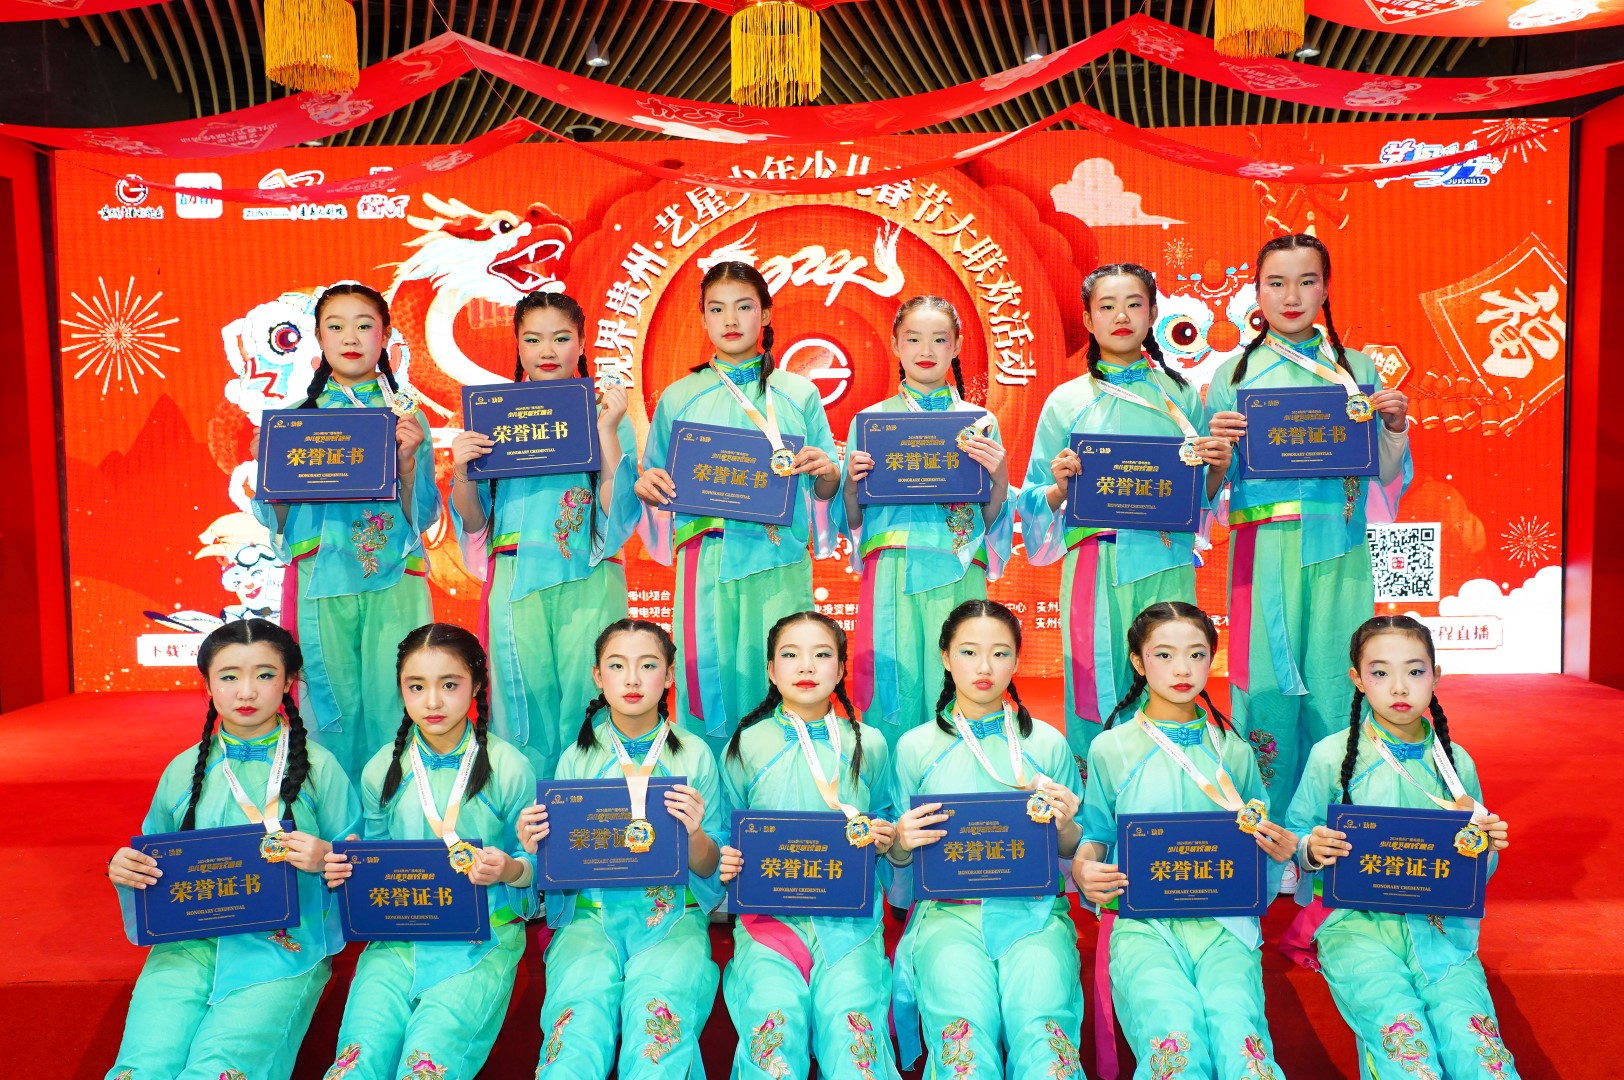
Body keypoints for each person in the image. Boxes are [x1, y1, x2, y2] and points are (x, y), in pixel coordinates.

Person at [1205, 235, 1412, 815]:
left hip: (1339, 546)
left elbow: (1384, 474)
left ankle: (1333, 817)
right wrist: (1217, 451)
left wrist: (1394, 427)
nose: (1291, 296)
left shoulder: (1356, 369)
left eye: (1306, 281)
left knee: (1335, 675)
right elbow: (1211, 488)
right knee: (1263, 683)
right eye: (1276, 283)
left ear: (1326, 289)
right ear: (1257, 292)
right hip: (1261, 548)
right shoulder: (1233, 374)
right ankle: (1267, 819)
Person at [104, 619, 358, 1080]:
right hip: (188, 944)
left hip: (284, 946)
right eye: (228, 676)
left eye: (265, 674)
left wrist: (328, 859)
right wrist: (126, 868)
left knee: (221, 1070)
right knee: (141, 1068)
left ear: (289, 681)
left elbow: (363, 862)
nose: (246, 691)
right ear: (207, 684)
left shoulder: (320, 768)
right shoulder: (183, 770)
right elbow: (154, 857)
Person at [1283, 615, 1518, 1078]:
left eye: (1414, 671)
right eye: (1380, 672)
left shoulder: (1456, 761)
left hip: (1440, 927)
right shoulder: (1331, 754)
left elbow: (1472, 872)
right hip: (1353, 925)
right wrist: (1312, 849)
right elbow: (1295, 835)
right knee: (1405, 1045)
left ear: (1436, 675)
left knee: (1479, 1048)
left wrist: (1484, 848)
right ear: (1357, 679)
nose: (1399, 687)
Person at [1017, 264, 1231, 769]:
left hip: (1166, 559)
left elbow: (1199, 501)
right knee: (1097, 682)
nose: (1121, 316)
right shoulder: (1066, 400)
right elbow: (1030, 498)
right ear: (1087, 320)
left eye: (1134, 305)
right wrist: (1060, 486)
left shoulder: (1180, 395)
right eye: (1107, 306)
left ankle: (1171, 783)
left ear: (1153, 313)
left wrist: (1219, 469)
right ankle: (1097, 798)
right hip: (1096, 563)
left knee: (1171, 675)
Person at [1074, 602, 1295, 1080]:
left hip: (1226, 925)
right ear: (1138, 662)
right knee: (1171, 1037)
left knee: (1241, 1039)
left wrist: (1280, 852)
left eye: (1196, 655)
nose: (1182, 669)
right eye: (1164, 655)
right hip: (1142, 924)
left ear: (1212, 658)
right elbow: (1096, 835)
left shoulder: (1234, 751)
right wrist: (1083, 868)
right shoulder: (1111, 748)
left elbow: (1261, 845)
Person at [634, 261, 840, 753]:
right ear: (703, 318)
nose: (730, 319)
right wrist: (647, 485)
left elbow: (827, 490)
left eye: (744, 307)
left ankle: (786, 784)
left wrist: (827, 474)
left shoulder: (799, 393)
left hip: (779, 557)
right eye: (717, 309)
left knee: (788, 675)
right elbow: (654, 480)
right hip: (706, 560)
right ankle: (711, 794)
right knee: (709, 678)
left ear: (765, 314)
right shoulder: (679, 396)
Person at [320, 622, 537, 1080]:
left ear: (476, 685)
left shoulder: (510, 767)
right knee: (355, 1061)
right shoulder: (381, 769)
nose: (432, 701)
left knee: (428, 1063)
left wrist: (510, 869)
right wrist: (353, 868)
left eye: (450, 685)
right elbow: (376, 853)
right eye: (416, 687)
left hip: (484, 938)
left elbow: (536, 864)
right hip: (397, 939)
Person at [517, 619, 726, 1078]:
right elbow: (556, 864)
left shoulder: (694, 755)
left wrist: (694, 835)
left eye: (647, 665)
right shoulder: (577, 757)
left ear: (669, 675)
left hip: (672, 918)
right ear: (598, 676)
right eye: (617, 665)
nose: (632, 679)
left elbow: (711, 865)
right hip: (590, 918)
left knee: (658, 1035)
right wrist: (537, 846)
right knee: (574, 1031)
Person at [888, 599, 1086, 1077]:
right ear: (945, 656)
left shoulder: (1047, 743)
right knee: (963, 1040)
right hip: (947, 915)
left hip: (1035, 914)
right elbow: (897, 856)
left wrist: (1065, 824)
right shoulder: (915, 747)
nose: (984, 667)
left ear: (1016, 660)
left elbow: (1070, 849)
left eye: (1000, 654)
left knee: (1043, 1033)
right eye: (969, 652)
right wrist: (900, 839)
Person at [253, 282, 438, 781]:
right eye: (335, 326)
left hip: (394, 576)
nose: (350, 337)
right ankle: (332, 811)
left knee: (396, 697)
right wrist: (271, 471)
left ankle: (396, 807)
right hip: (321, 575)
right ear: (319, 337)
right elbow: (276, 520)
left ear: (386, 336)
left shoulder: (408, 418)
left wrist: (406, 462)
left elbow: (422, 517)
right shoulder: (293, 422)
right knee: (326, 701)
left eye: (364, 325)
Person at [450, 291, 639, 777]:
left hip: (589, 573)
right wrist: (462, 470)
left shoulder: (605, 412)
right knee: (521, 706)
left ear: (583, 342)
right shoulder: (493, 416)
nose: (547, 351)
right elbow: (474, 521)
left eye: (561, 338)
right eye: (533, 340)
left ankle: (593, 809)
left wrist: (608, 432)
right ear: (517, 345)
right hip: (515, 577)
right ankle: (527, 816)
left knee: (592, 698)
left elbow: (618, 512)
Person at [718, 611, 902, 1080]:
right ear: (770, 670)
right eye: (790, 655)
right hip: (767, 922)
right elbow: (724, 829)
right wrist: (725, 857)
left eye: (822, 655)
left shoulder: (870, 744)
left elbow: (885, 816)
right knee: (773, 1036)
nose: (806, 667)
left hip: (850, 922)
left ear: (840, 670)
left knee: (852, 1038)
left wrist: (886, 837)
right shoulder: (745, 744)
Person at [841, 296, 1013, 746]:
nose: (926, 350)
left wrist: (1000, 478)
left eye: (939, 339)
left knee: (959, 680)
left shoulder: (980, 422)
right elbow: (853, 520)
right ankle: (891, 784)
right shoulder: (870, 422)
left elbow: (990, 518)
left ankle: (962, 772)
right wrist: (851, 487)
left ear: (957, 346)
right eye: (913, 338)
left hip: (957, 565)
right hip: (892, 569)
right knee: (893, 679)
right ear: (895, 345)